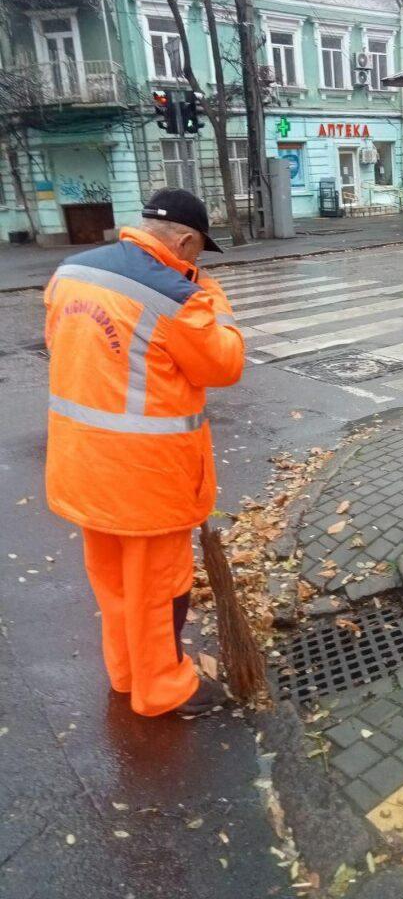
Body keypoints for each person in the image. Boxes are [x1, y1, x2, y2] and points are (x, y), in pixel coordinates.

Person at [44, 188, 244, 717]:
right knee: (160, 590)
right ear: (183, 240)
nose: (196, 262)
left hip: (83, 468)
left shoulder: (71, 273)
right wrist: (214, 301)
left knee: (114, 585)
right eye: (199, 251)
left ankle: (127, 673)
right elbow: (224, 365)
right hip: (146, 481)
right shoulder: (176, 297)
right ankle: (162, 689)